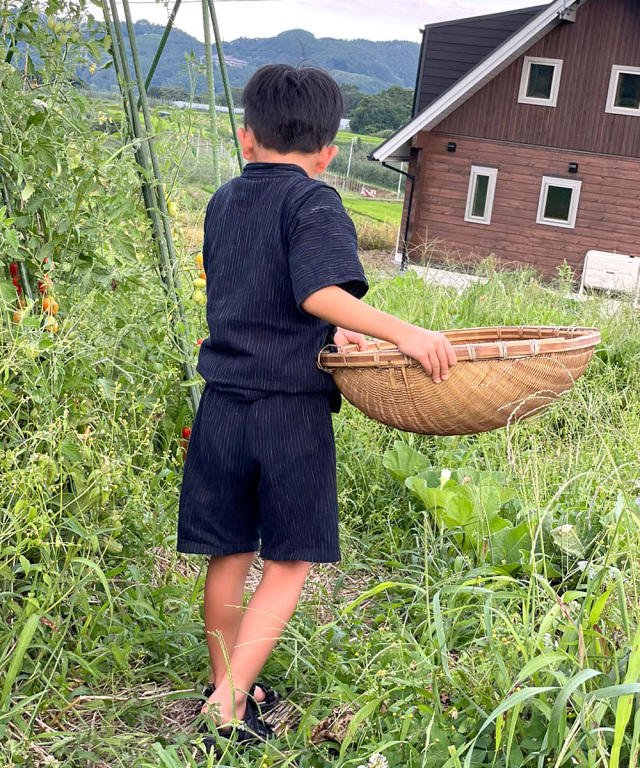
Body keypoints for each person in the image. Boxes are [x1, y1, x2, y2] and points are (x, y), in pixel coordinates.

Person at [177, 63, 456, 750]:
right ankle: (228, 711)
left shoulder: (221, 201)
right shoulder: (315, 202)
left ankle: (226, 681)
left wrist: (330, 328)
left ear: (247, 138)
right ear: (328, 151)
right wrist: (407, 333)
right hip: (287, 410)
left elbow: (255, 288)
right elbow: (314, 291)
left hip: (222, 404)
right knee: (290, 563)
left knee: (229, 553)